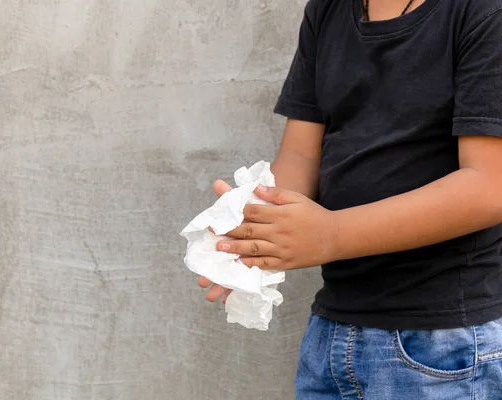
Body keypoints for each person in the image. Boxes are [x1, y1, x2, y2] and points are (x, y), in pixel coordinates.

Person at [197, 0, 502, 398]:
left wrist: (331, 234)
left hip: (442, 343)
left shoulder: (482, 12)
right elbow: (301, 154)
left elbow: (488, 186)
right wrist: (254, 232)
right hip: (334, 329)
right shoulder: (328, 10)